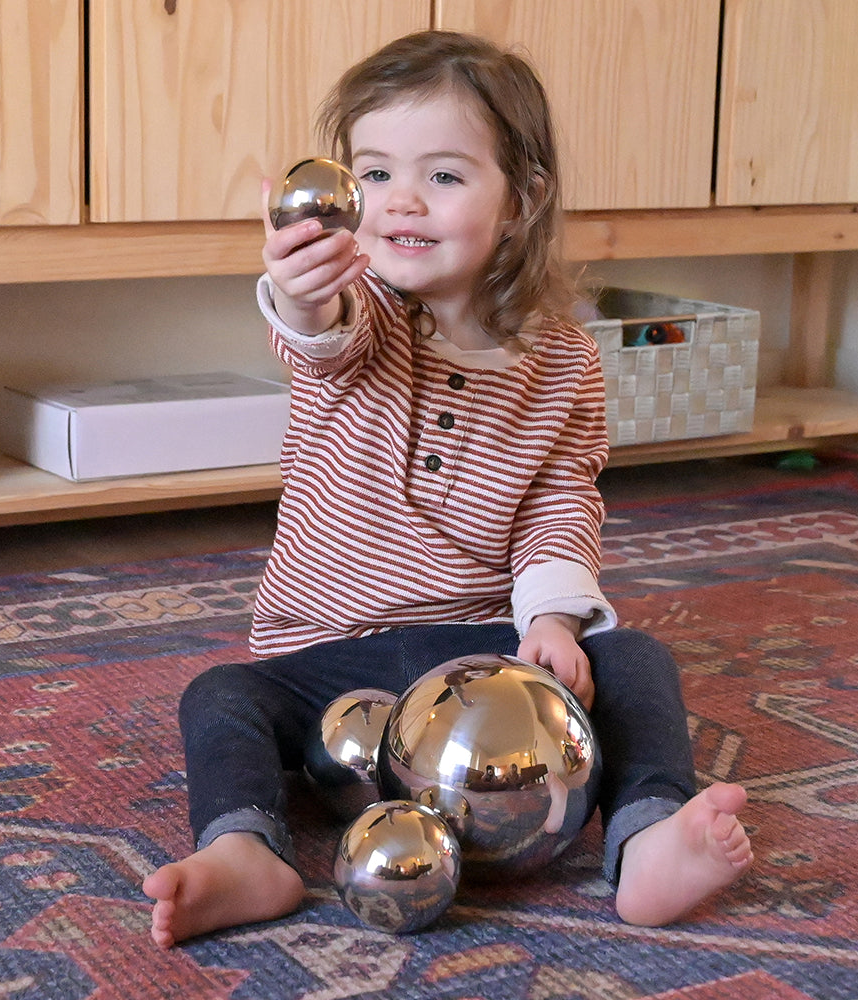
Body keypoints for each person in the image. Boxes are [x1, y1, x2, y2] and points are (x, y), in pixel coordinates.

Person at [143, 29, 752, 948]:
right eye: (375, 174)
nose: (402, 203)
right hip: (327, 648)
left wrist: (550, 621)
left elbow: (560, 500)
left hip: (479, 664)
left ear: (523, 199)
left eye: (446, 176)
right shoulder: (366, 314)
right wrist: (301, 292)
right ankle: (247, 852)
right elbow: (318, 338)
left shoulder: (565, 360)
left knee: (635, 664)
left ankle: (647, 837)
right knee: (219, 695)